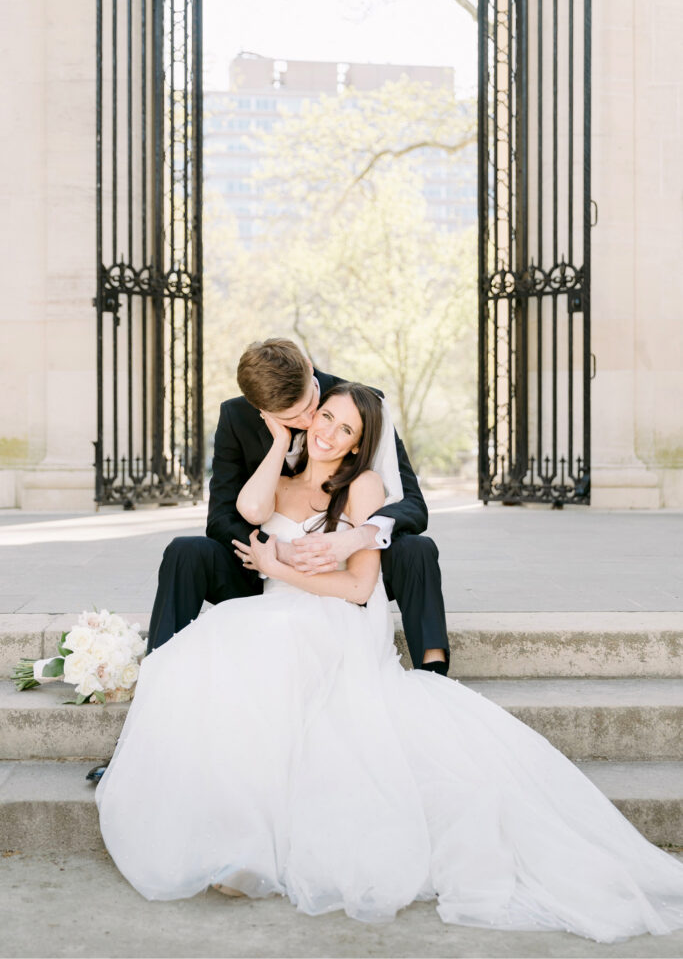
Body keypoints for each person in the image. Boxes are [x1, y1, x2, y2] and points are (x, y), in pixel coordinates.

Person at [97, 382, 683, 941]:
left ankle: (256, 842)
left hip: (329, 618)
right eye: (324, 417)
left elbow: (357, 591)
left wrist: (289, 565)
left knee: (270, 660)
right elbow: (244, 507)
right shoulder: (280, 475)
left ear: (359, 442)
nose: (326, 430)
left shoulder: (365, 488)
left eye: (343, 427)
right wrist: (281, 441)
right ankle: (232, 831)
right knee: (205, 656)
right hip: (274, 610)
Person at [146, 338, 449, 675]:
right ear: (261, 410)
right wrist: (280, 554)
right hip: (261, 571)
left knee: (417, 549)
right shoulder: (235, 416)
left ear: (308, 366)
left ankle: (432, 669)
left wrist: (359, 537)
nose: (309, 421)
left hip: (344, 569)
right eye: (291, 417)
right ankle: (158, 669)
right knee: (185, 552)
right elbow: (221, 518)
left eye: (311, 406)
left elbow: (413, 505)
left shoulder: (355, 402)